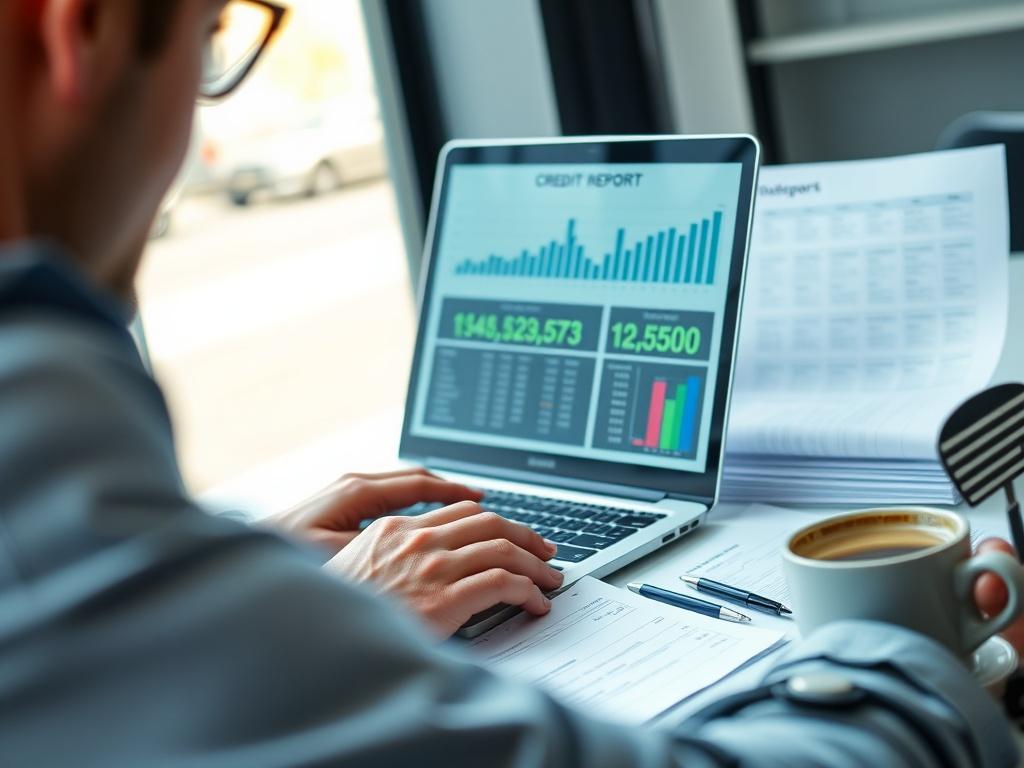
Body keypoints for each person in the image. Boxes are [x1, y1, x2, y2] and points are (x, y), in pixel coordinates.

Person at [0, 1, 1019, 765]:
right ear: (78, 32)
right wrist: (927, 661)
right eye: (211, 36)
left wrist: (239, 577)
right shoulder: (32, 450)